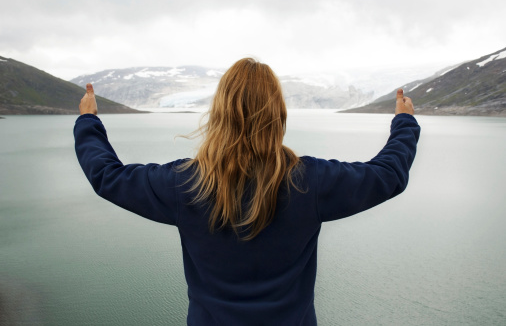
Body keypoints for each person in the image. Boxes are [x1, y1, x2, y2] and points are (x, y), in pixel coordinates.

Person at [74, 58, 420, 325]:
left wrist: (88, 120)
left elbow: (107, 176)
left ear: (220, 112)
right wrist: (404, 122)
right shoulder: (310, 181)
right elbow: (388, 174)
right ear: (278, 113)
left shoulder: (185, 184)